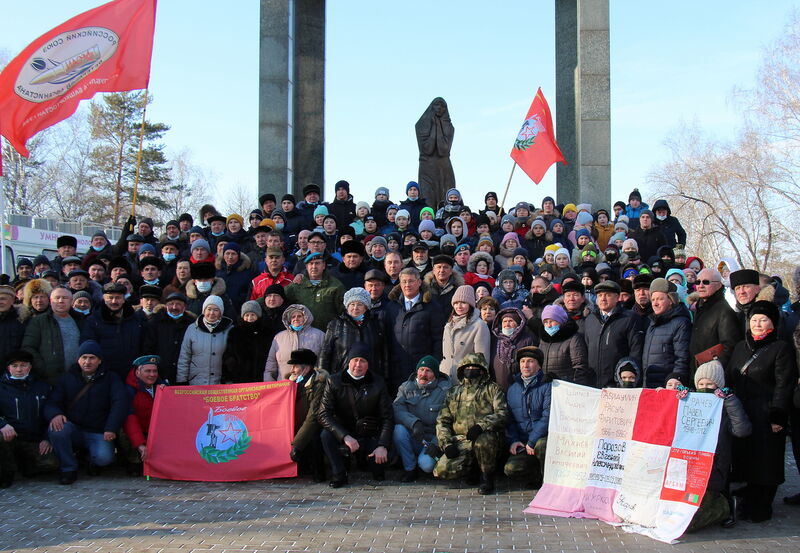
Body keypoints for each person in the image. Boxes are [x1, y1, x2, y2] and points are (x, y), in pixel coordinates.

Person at [728, 300, 797, 522]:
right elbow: (731, 376)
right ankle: (748, 500)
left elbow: (784, 384)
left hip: (766, 413)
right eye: (754, 319)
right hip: (743, 412)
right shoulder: (741, 346)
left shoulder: (780, 348)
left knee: (766, 462)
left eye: (763, 320)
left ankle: (763, 505)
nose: (757, 324)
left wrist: (778, 414)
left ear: (773, 323)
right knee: (747, 459)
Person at [45, 340, 129, 485]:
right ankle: (68, 469)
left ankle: (89, 459)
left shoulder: (111, 378)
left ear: (99, 360)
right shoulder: (66, 378)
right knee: (57, 429)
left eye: (92, 358)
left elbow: (119, 403)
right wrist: (55, 414)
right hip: (73, 428)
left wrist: (111, 428)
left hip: (98, 430)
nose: (87, 362)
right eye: (84, 357)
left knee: (104, 458)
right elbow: (52, 402)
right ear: (78, 359)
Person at [685, 360, 751, 532]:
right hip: (691, 463)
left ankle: (726, 507)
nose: (705, 387)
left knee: (693, 521)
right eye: (701, 384)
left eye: (710, 384)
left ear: (719, 386)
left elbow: (742, 430)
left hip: (716, 464)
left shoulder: (725, 406)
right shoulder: (693, 402)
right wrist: (683, 398)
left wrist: (730, 401)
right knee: (686, 509)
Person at [318, 343, 393, 488]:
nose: (358, 365)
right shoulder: (334, 381)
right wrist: (344, 436)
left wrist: (382, 445)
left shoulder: (378, 382)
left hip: (368, 431)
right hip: (343, 431)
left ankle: (366, 460)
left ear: (368, 364)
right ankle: (339, 474)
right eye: (355, 360)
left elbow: (387, 417)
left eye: (363, 361)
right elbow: (323, 414)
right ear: (349, 362)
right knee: (325, 435)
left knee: (378, 473)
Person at [434, 353, 508, 495]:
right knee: (442, 470)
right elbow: (442, 421)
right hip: (462, 440)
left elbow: (502, 413)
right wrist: (446, 444)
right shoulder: (453, 392)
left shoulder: (493, 389)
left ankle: (487, 478)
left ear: (482, 370)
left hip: (487, 438)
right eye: (467, 367)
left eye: (475, 367)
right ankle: (472, 469)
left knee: (483, 441)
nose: (471, 370)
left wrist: (481, 426)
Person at [0, 350, 58, 487]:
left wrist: (47, 438)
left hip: (34, 439)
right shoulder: (1, 387)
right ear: (8, 368)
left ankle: (25, 465)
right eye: (14, 366)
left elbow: (51, 414)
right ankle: (7, 472)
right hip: (11, 437)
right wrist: (2, 424)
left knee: (51, 463)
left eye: (23, 365)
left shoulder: (43, 387)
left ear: (30, 367)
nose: (19, 370)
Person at [392, 355, 451, 482]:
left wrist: (436, 444)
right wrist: (413, 423)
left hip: (432, 440)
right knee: (398, 430)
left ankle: (427, 462)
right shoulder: (405, 387)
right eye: (421, 369)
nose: (423, 374)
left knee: (426, 465)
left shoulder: (445, 391)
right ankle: (410, 469)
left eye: (428, 371)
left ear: (435, 374)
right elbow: (397, 409)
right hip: (414, 436)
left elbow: (449, 421)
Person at [387, 268, 445, 393]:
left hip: (422, 369)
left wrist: (433, 365)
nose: (407, 285)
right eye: (404, 282)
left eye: (411, 281)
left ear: (419, 282)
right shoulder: (392, 307)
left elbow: (438, 339)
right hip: (396, 368)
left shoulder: (432, 307)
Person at [503, 346, 551, 489]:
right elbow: (510, 420)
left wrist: (532, 441)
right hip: (523, 442)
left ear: (539, 365)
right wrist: (514, 440)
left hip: (541, 439)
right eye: (522, 361)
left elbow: (547, 416)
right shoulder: (513, 389)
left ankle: (546, 481)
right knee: (511, 469)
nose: (525, 365)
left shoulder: (547, 386)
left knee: (542, 446)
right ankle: (535, 473)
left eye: (530, 361)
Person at [583, 280, 643, 388]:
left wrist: (628, 377)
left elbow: (636, 351)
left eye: (607, 295)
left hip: (618, 385)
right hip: (593, 385)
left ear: (617, 297)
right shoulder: (590, 319)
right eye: (600, 295)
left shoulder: (629, 318)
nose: (603, 298)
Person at [81, 282, 146, 379]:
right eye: (110, 298)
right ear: (104, 299)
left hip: (131, 373)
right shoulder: (93, 321)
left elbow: (143, 346)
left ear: (124, 299)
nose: (114, 301)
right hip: (103, 374)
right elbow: (88, 347)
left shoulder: (136, 320)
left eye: (118, 297)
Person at [319, 288, 388, 378]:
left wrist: (385, 377)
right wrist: (322, 377)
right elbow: (325, 353)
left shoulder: (376, 324)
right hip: (340, 377)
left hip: (370, 377)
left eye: (360, 304)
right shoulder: (335, 325)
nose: (355, 308)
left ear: (366, 307)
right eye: (352, 304)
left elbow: (384, 354)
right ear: (347, 306)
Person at [21, 287, 83, 387]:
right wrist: (43, 369)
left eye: (65, 298)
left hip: (76, 377)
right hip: (48, 380)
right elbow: (28, 347)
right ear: (50, 301)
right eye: (57, 298)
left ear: (71, 301)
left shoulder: (80, 320)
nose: (61, 301)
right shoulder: (38, 321)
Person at [689, 268, 743, 377]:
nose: (701, 285)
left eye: (706, 282)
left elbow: (730, 346)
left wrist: (714, 371)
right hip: (696, 373)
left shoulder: (724, 310)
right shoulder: (699, 308)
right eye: (698, 282)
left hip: (712, 377)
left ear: (718, 285)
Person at [640, 278, 692, 388]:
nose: (655, 303)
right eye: (653, 299)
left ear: (671, 300)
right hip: (650, 386)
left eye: (660, 299)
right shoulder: (652, 323)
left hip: (668, 387)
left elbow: (682, 358)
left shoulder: (681, 323)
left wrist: (675, 383)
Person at [287, 349, 329, 482]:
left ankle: (318, 471)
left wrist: (297, 444)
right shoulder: (290, 382)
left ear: (306, 369)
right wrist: (289, 386)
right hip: (294, 425)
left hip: (312, 426)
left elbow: (313, 417)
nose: (292, 370)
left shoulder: (320, 384)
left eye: (295, 366)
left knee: (316, 437)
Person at [122, 355, 165, 475]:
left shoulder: (162, 388)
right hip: (138, 430)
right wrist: (140, 444)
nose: (152, 374)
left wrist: (166, 394)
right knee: (124, 433)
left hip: (155, 431)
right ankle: (133, 461)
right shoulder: (129, 391)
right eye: (148, 371)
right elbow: (130, 419)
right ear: (137, 372)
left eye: (155, 371)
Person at [176, 296, 234, 386]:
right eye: (209, 309)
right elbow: (184, 357)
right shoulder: (192, 329)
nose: (212, 313)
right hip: (196, 383)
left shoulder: (230, 330)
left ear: (221, 312)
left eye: (216, 310)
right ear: (204, 311)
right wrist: (181, 380)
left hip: (220, 385)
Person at [142, 292, 196, 384]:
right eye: (171, 304)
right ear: (166, 305)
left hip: (184, 376)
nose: (174, 307)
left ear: (184, 307)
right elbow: (148, 348)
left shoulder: (192, 325)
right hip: (160, 375)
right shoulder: (155, 322)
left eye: (178, 304)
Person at [441, 285, 491, 383]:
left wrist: (474, 380)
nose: (459, 306)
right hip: (445, 379)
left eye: (463, 303)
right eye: (456, 303)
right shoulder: (448, 326)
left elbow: (482, 358)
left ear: (470, 304)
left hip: (466, 382)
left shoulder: (479, 325)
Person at [531, 305, 592, 384]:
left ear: (561, 321)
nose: (549, 325)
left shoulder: (573, 338)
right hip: (545, 386)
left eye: (552, 321)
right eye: (545, 322)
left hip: (566, 387)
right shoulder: (544, 340)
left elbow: (580, 367)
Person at [285, 252, 345, 332]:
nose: (314, 267)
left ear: (324, 266)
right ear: (306, 267)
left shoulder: (335, 285)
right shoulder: (297, 284)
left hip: (328, 333)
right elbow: (280, 297)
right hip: (302, 334)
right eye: (311, 264)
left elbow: (343, 311)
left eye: (317, 263)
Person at [264, 304, 324, 381]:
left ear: (306, 318)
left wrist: (320, 381)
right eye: (293, 317)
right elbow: (271, 363)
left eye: (299, 316)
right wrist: (269, 383)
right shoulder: (279, 337)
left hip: (310, 385)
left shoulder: (319, 335)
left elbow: (323, 362)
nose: (296, 319)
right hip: (283, 384)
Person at [415, 98, 455, 203]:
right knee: (427, 202)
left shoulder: (449, 127)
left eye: (443, 106)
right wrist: (434, 128)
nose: (439, 108)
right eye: (437, 105)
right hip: (427, 168)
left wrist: (437, 126)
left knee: (447, 201)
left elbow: (443, 150)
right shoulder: (421, 125)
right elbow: (427, 149)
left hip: (444, 169)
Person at [490, 307, 538, 391]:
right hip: (496, 388)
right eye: (504, 321)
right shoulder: (494, 339)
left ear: (518, 323)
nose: (507, 324)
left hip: (520, 387)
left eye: (511, 321)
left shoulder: (528, 339)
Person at [225, 301, 271, 383]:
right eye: (247, 315)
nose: (250, 318)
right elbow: (229, 355)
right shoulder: (235, 333)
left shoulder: (267, 333)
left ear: (258, 315)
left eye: (253, 315)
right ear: (242, 316)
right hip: (241, 380)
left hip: (262, 379)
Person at [0, 285, 29, 364]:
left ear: (12, 300)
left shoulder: (23, 320)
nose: (0, 302)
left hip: (17, 368)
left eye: (3, 299)